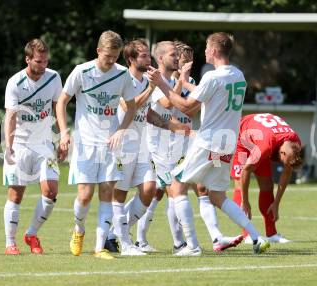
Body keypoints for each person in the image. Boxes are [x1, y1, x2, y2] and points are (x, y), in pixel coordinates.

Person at [147, 32, 270, 256]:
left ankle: (191, 247)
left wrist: (161, 85)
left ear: (213, 51)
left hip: (209, 140)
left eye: (205, 47)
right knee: (216, 195)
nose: (203, 51)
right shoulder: (238, 75)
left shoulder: (212, 77)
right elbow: (210, 95)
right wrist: (183, 82)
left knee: (176, 184)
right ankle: (256, 237)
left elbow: (185, 106)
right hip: (228, 142)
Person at [56, 30, 137, 260]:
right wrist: (64, 133)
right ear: (98, 51)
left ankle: (99, 247)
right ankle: (78, 229)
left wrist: (121, 130)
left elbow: (131, 107)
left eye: (115, 57)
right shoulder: (81, 71)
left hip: (110, 143)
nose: (111, 61)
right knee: (84, 195)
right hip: (85, 143)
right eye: (108, 56)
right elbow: (62, 101)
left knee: (107, 192)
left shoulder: (122, 75)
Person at [104, 38, 185, 256]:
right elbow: (129, 106)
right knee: (119, 194)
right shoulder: (122, 78)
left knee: (149, 190)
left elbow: (147, 113)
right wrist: (151, 88)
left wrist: (173, 126)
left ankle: (113, 235)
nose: (148, 58)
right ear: (131, 59)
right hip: (121, 144)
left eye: (148, 55)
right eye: (142, 55)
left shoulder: (145, 81)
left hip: (141, 146)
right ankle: (125, 243)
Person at [2, 39, 64, 255]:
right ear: (28, 59)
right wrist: (9, 146)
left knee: (51, 191)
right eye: (38, 61)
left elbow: (59, 107)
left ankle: (31, 234)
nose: (43, 65)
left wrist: (62, 136)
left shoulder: (54, 78)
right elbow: (11, 116)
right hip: (20, 143)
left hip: (45, 143)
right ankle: (10, 243)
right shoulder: (15, 82)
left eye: (46, 61)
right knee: (16, 194)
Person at [231, 113, 302, 244]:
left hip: (260, 138)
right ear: (282, 153)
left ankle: (272, 233)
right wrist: (245, 202)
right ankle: (248, 235)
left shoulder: (294, 144)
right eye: (284, 161)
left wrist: (276, 203)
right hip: (242, 138)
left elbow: (286, 173)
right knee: (239, 187)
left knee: (267, 185)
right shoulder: (266, 145)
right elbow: (246, 170)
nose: (283, 165)